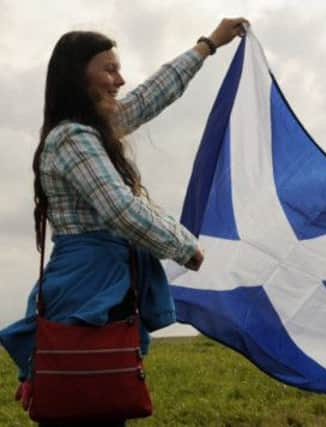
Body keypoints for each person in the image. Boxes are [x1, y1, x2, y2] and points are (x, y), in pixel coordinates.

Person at [0, 17, 248, 426]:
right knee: (89, 394)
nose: (120, 79)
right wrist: (185, 246)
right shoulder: (72, 138)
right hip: (86, 285)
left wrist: (207, 45)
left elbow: (152, 95)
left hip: (100, 279)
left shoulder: (93, 130)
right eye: (109, 69)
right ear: (78, 76)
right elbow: (119, 208)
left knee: (100, 392)